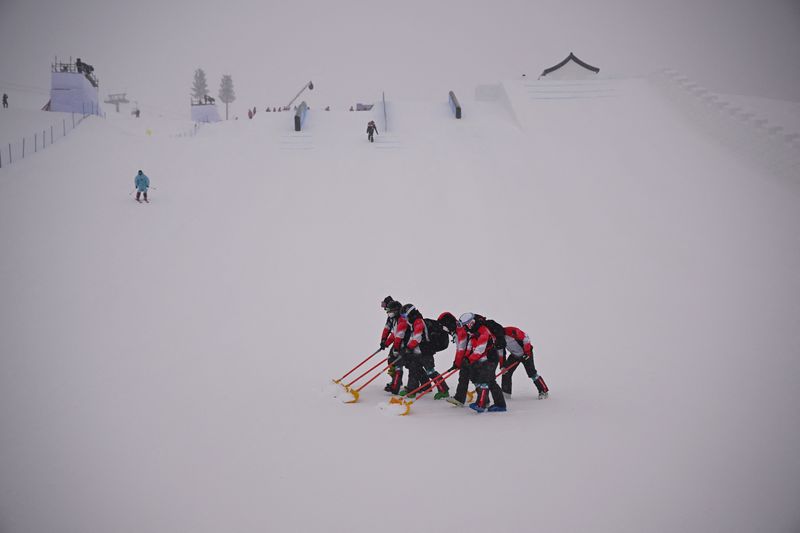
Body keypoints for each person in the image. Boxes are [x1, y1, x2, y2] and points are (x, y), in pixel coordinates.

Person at [393, 304, 450, 400]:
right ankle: (411, 391)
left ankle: (443, 391)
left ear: (409, 313)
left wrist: (408, 348)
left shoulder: (418, 322)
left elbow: (417, 338)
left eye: (404, 316)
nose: (404, 318)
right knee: (413, 370)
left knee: (430, 372)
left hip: (426, 352)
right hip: (417, 352)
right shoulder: (413, 322)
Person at [458, 312, 507, 413]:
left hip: (490, 359)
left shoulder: (483, 331)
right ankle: (496, 403)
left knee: (486, 380)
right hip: (480, 359)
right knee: (483, 380)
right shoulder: (472, 332)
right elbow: (470, 346)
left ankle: (482, 404)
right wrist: (465, 357)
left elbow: (480, 349)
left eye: (465, 325)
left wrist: (469, 359)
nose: (464, 328)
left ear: (470, 323)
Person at [499, 326, 549, 399]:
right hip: (514, 355)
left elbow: (526, 338)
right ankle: (506, 395)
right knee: (506, 372)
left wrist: (527, 353)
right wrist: (502, 366)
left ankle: (543, 391)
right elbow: (501, 353)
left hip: (526, 354)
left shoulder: (511, 331)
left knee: (531, 373)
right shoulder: (497, 339)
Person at [381, 298, 406, 394]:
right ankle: (395, 381)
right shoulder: (394, 319)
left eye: (389, 311)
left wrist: (396, 348)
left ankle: (395, 387)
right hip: (397, 344)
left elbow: (400, 335)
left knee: (398, 365)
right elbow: (393, 334)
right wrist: (385, 342)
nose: (388, 312)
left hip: (403, 345)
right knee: (391, 361)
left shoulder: (402, 320)